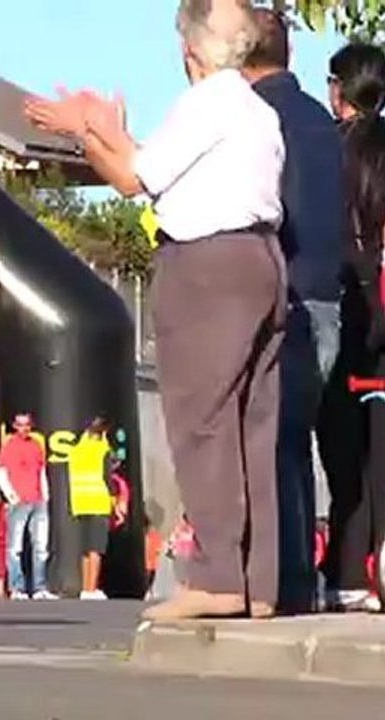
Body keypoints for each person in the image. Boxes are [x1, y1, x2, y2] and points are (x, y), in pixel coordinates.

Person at [25, 0, 286, 619]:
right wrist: (103, 131)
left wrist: (86, 130)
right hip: (261, 260)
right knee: (254, 425)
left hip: (207, 265)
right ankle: (260, 579)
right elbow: (156, 166)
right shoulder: (255, 111)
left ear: (189, 49)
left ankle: (219, 577)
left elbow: (131, 177)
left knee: (203, 423)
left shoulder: (205, 103)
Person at [242, 8, 346, 614]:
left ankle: (283, 581)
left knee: (271, 444)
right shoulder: (318, 120)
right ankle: (300, 577)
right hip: (328, 296)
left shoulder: (259, 121)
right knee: (295, 443)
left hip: (283, 298)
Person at [320, 43, 385, 612]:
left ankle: (347, 568)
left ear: (341, 88)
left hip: (344, 302)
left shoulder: (328, 151)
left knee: (343, 446)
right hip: (381, 304)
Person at [0, 413, 56, 600]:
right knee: (15, 548)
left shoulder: (37, 446)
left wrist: (45, 496)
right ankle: (17, 588)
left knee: (41, 547)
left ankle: (39, 588)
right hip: (19, 503)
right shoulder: (9, 446)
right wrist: (12, 496)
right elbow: (0, 472)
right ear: (15, 426)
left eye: (27, 425)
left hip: (38, 501)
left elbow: (41, 472)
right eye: (20, 425)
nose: (24, 428)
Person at [69, 418, 119, 600]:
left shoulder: (76, 451)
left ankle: (85, 588)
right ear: (103, 433)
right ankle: (92, 589)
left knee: (85, 550)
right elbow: (107, 478)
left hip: (80, 504)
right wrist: (115, 504)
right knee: (96, 548)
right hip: (98, 502)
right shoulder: (102, 450)